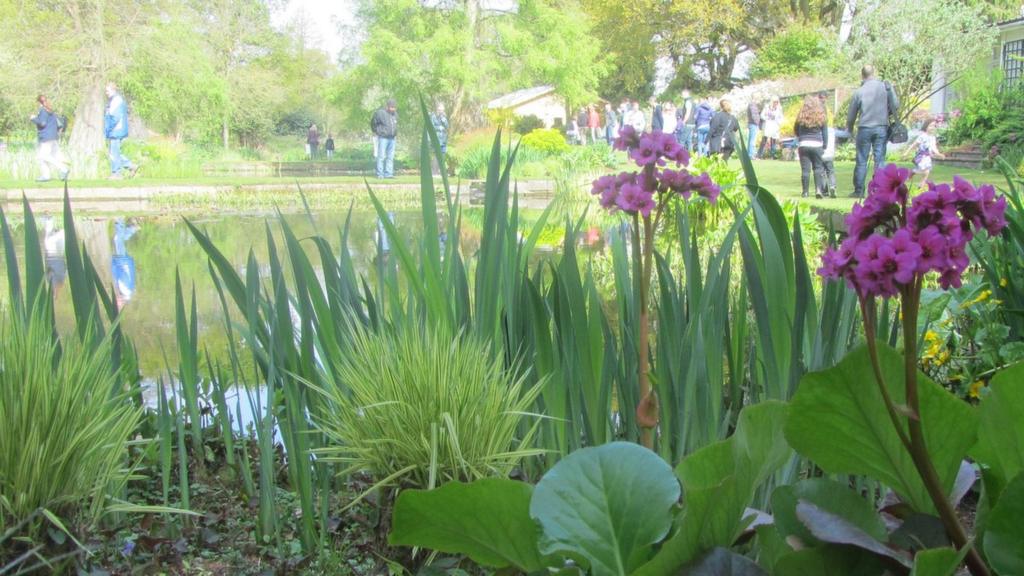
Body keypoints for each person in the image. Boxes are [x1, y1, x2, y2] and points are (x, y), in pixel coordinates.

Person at [847, 64, 899, 198]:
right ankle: (879, 190)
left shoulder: (859, 91)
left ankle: (859, 190)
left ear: (862, 75)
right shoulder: (885, 87)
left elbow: (851, 115)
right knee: (880, 160)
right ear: (873, 73)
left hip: (864, 127)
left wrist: (849, 129)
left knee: (861, 160)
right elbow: (896, 105)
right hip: (881, 127)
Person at [793, 96, 830, 198]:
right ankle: (818, 190)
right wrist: (825, 145)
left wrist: (801, 137)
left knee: (805, 170)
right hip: (817, 144)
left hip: (803, 144)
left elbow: (796, 129)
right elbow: (825, 132)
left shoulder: (801, 115)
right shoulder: (821, 115)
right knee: (818, 168)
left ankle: (805, 192)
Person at [29, 94, 68, 182]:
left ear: (39, 102)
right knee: (43, 156)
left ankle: (63, 169)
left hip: (46, 136)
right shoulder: (50, 110)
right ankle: (46, 175)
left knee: (43, 156)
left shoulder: (43, 110)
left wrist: (33, 119)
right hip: (53, 136)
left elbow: (42, 123)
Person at [104, 83, 137, 179]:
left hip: (116, 130)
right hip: (115, 130)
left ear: (113, 90)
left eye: (107, 91)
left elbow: (115, 117)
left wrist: (108, 129)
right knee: (114, 152)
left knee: (114, 153)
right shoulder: (113, 100)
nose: (106, 93)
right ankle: (131, 166)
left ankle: (116, 173)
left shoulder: (116, 100)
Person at [903, 119, 945, 188]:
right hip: (921, 156)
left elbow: (934, 148)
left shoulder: (933, 138)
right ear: (926, 126)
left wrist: (939, 154)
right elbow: (914, 144)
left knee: (927, 171)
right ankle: (913, 173)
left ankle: (920, 184)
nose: (932, 127)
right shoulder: (922, 136)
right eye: (930, 126)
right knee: (925, 172)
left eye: (934, 126)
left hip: (927, 157)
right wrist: (906, 152)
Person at [371, 99, 398, 179]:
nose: (393, 109)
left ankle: (389, 174)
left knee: (390, 157)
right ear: (387, 107)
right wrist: (376, 131)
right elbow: (373, 122)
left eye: (394, 107)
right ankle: (380, 174)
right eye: (392, 107)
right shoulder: (380, 113)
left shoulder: (395, 114)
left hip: (392, 138)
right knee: (381, 156)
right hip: (383, 138)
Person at [819, 93, 837, 198]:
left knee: (821, 171)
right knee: (830, 171)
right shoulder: (830, 131)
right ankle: (833, 186)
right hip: (829, 154)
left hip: (820, 152)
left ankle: (824, 190)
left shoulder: (818, 131)